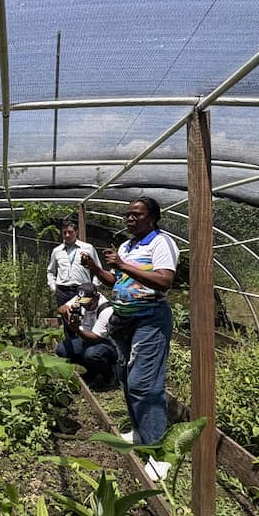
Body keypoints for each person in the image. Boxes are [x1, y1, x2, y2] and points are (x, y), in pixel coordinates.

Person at [81, 197, 178, 481]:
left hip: (150, 319)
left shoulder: (160, 243)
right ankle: (139, 432)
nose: (130, 219)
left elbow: (164, 280)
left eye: (137, 215)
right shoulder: (127, 245)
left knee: (144, 384)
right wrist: (97, 268)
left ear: (153, 217)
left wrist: (122, 264)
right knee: (126, 376)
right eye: (128, 215)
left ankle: (159, 454)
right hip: (124, 321)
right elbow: (117, 282)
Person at [55, 282, 118, 391]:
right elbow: (61, 308)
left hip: (105, 343)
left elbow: (95, 337)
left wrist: (76, 330)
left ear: (96, 297)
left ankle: (110, 377)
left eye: (89, 304)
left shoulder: (106, 310)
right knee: (62, 349)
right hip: (85, 338)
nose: (85, 307)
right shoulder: (82, 297)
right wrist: (67, 311)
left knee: (91, 354)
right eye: (83, 304)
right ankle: (92, 372)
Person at [46, 218, 102, 339]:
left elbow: (98, 269)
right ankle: (71, 351)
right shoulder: (57, 251)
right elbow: (50, 271)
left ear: (76, 232)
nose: (67, 235)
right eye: (64, 232)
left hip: (82, 290)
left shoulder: (87, 248)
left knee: (84, 318)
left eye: (70, 232)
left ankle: (85, 347)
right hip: (63, 291)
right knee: (67, 320)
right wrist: (53, 286)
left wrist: (94, 288)